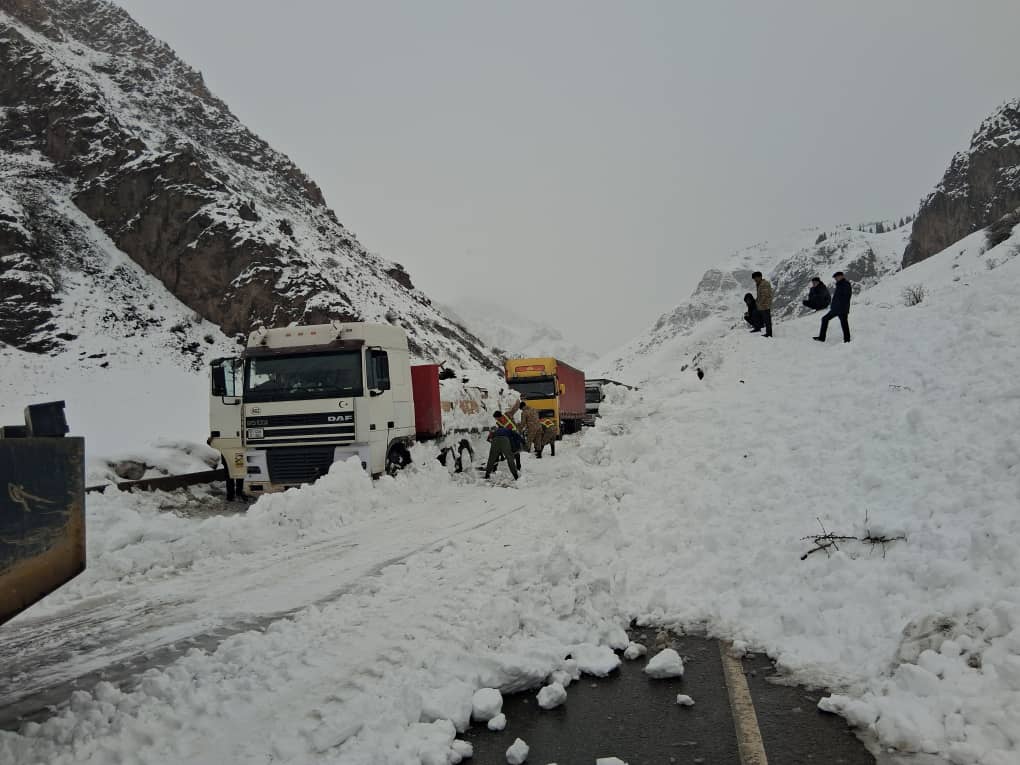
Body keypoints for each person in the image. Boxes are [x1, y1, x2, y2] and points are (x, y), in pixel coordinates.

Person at [814, 271, 852, 343]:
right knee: (825, 319)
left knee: (844, 324)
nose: (836, 279)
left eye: (837, 277)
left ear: (842, 276)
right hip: (835, 309)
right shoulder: (839, 284)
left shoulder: (845, 284)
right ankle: (822, 338)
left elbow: (846, 297)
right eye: (835, 278)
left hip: (842, 309)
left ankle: (847, 340)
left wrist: (841, 306)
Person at [484, 410, 523, 479]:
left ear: (497, 417)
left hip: (507, 437)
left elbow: (493, 432)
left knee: (493, 456)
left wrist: (490, 439)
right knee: (512, 454)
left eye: (495, 418)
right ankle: (516, 471)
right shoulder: (506, 417)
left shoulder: (500, 421)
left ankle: (490, 471)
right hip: (511, 435)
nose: (495, 419)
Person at [751, 271, 773, 337]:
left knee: (767, 320)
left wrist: (759, 303)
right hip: (760, 305)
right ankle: (757, 328)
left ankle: (769, 334)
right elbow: (759, 295)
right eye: (754, 279)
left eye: (755, 278)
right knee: (754, 314)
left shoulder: (764, 284)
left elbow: (764, 296)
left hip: (765, 305)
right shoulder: (759, 284)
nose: (755, 280)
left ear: (760, 277)